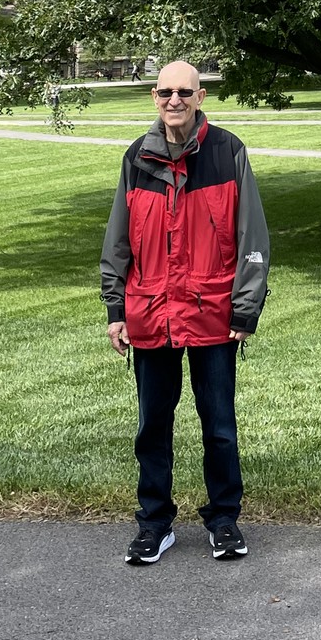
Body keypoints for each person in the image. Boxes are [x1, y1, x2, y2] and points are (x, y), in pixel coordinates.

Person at [101, 59, 270, 565]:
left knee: (218, 425)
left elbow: (252, 239)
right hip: (151, 314)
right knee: (153, 424)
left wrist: (245, 310)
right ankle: (154, 523)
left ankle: (224, 520)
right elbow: (118, 240)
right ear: (154, 97)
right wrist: (116, 309)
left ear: (200, 98)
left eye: (184, 92)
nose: (173, 100)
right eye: (164, 92)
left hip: (213, 315)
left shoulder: (227, 152)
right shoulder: (137, 158)